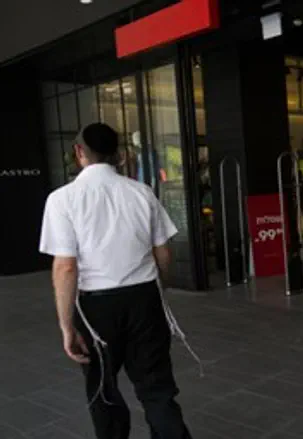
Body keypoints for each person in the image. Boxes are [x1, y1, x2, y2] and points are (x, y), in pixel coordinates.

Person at [39, 123, 192, 439]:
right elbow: (163, 253)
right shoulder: (141, 192)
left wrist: (67, 326)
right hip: (144, 299)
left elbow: (65, 268)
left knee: (103, 388)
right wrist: (156, 291)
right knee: (157, 389)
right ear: (118, 155)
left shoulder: (62, 199)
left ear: (79, 152)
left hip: (97, 308)